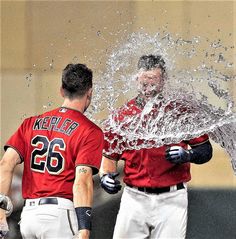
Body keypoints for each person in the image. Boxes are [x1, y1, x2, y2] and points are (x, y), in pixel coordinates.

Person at [100, 55, 213, 239]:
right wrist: (106, 177)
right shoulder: (122, 116)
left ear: (163, 81)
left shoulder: (179, 111)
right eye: (144, 84)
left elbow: (206, 151)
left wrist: (188, 154)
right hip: (134, 198)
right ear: (136, 79)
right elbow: (110, 157)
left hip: (172, 199)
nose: (148, 90)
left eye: (153, 84)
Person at [0, 63, 104, 239]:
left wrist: (1, 210)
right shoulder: (89, 131)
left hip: (29, 216)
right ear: (90, 92)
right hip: (59, 215)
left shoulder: (31, 123)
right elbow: (82, 182)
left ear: (62, 90)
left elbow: (6, 163)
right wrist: (84, 229)